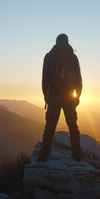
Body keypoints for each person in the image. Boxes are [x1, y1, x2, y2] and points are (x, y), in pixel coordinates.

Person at [37, 34, 83, 162]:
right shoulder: (73, 57)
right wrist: (77, 96)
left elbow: (44, 79)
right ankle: (77, 154)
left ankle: (44, 155)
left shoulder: (49, 56)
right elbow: (78, 79)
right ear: (67, 42)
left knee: (50, 127)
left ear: (56, 42)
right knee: (73, 126)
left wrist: (46, 96)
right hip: (69, 97)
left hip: (53, 96)